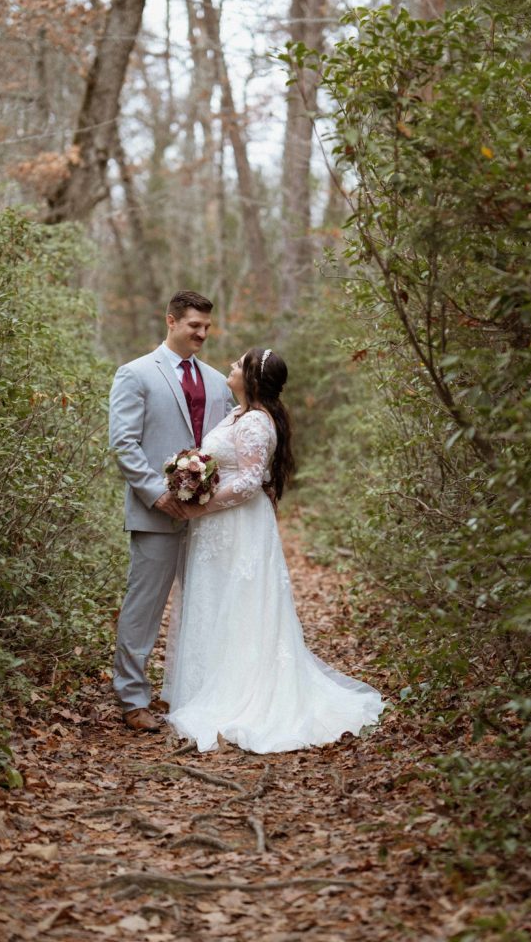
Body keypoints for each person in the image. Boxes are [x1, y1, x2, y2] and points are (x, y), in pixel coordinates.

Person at [162, 347, 385, 753]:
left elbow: (248, 482)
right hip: (220, 527)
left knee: (241, 603)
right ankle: (208, 684)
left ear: (250, 378)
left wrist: (201, 505)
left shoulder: (255, 425)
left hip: (237, 526)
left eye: (236, 364)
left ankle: (241, 692)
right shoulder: (238, 415)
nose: (229, 367)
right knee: (217, 601)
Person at [108, 291, 233, 732]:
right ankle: (132, 700)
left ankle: (195, 693)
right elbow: (123, 442)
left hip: (207, 518)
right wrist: (155, 494)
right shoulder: (136, 373)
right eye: (193, 325)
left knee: (203, 607)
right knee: (144, 608)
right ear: (171, 321)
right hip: (155, 515)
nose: (201, 333)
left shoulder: (219, 382)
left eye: (206, 327)